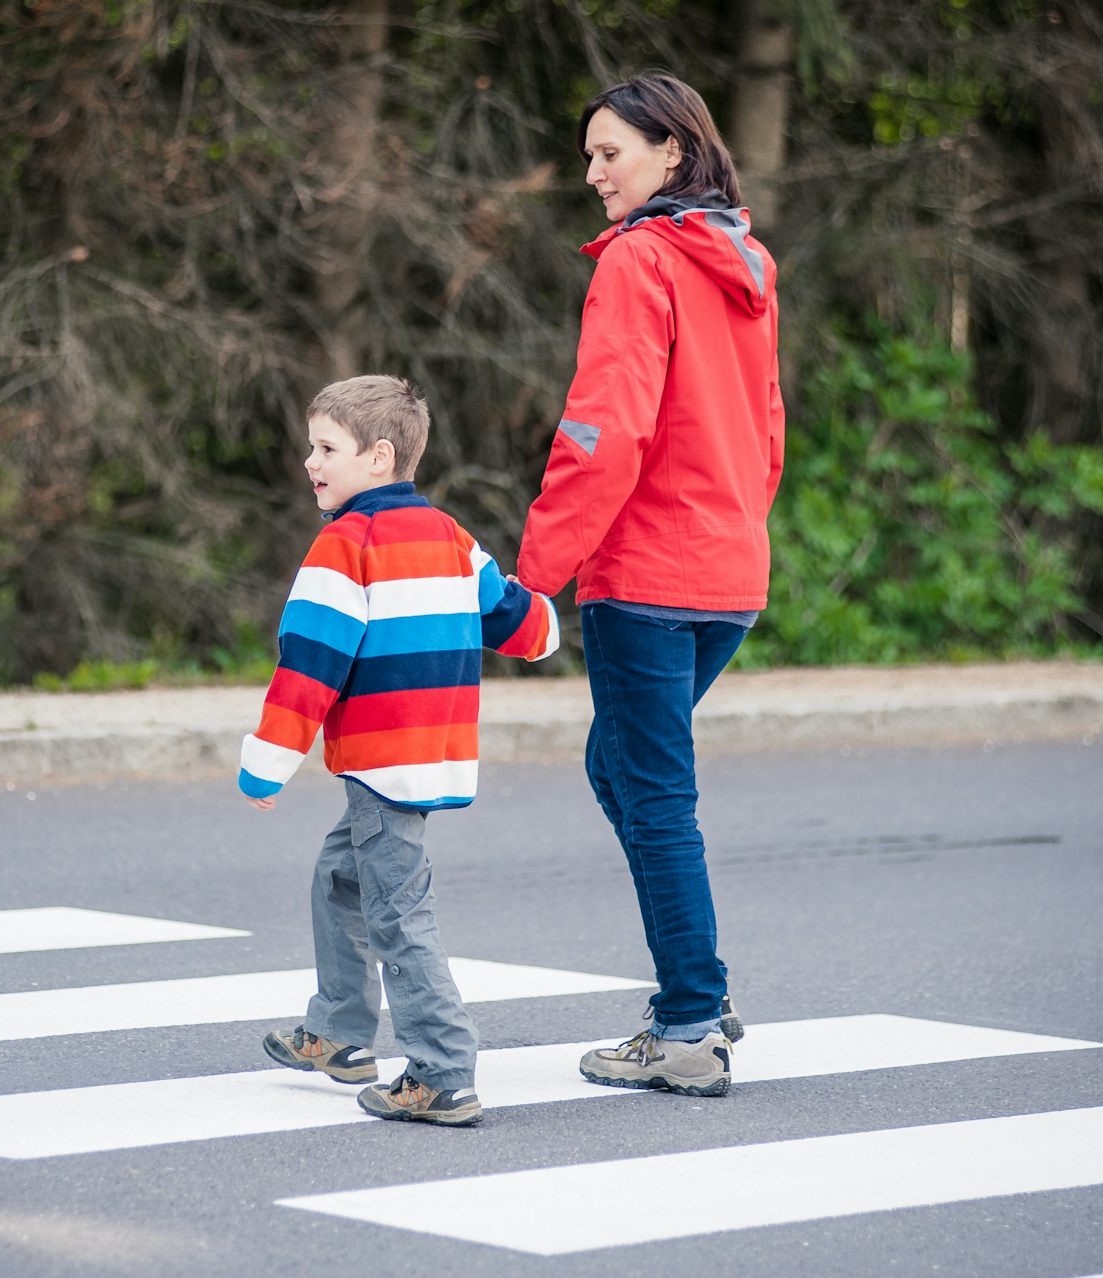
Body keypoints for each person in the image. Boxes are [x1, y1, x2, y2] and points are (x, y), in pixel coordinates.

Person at [514, 73, 785, 1098]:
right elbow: (767, 431)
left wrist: (538, 579)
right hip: (728, 570)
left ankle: (687, 1020)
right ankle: (695, 995)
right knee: (622, 769)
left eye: (609, 154)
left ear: (674, 152)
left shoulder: (640, 262)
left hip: (649, 574)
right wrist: (741, 536)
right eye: (588, 156)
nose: (592, 174)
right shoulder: (746, 261)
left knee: (653, 792)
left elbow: (602, 432)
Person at [241, 374, 560, 1127]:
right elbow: (516, 620)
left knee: (399, 915)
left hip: (383, 763)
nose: (309, 461)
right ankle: (339, 1033)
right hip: (431, 751)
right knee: (340, 878)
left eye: (326, 448)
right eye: (310, 445)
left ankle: (442, 1072)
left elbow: (308, 663)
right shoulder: (451, 538)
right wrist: (547, 623)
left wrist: (268, 760)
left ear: (379, 456)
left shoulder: (344, 545)